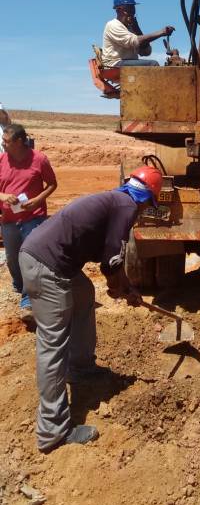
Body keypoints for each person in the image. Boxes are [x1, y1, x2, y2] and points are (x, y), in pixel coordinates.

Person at [19, 165, 163, 453]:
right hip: (48, 267)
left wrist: (124, 287)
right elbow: (111, 261)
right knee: (52, 345)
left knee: (84, 294)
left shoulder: (114, 200)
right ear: (146, 200)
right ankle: (52, 431)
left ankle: (81, 368)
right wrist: (121, 286)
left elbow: (110, 260)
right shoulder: (126, 206)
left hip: (49, 259)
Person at [0, 123, 57, 321]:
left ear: (18, 142)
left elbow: (52, 184)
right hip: (8, 220)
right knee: (12, 259)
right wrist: (3, 196)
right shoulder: (1, 159)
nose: (2, 144)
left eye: (6, 141)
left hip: (34, 217)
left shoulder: (39, 159)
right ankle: (20, 285)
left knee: (30, 260)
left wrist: (37, 200)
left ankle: (28, 301)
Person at [102, 0, 175, 67]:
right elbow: (134, 41)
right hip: (114, 64)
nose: (132, 11)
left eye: (133, 7)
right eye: (129, 8)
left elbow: (146, 52)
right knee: (153, 64)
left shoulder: (129, 28)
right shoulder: (113, 25)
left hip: (127, 62)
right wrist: (161, 32)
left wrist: (137, 28)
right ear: (119, 9)